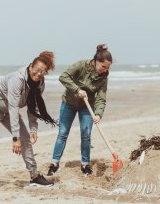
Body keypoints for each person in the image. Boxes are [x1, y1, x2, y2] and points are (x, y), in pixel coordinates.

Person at [0, 51, 57, 186]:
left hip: (9, 110)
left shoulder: (39, 84)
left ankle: (35, 176)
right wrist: (15, 138)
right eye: (37, 70)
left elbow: (33, 108)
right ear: (31, 67)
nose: (39, 74)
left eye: (42, 72)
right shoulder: (17, 79)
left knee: (26, 140)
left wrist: (33, 129)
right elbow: (14, 107)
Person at [47, 44, 112, 176]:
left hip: (87, 107)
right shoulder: (81, 65)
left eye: (107, 67)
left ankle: (85, 165)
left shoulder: (103, 77)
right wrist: (77, 90)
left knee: (86, 134)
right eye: (103, 66)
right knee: (63, 133)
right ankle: (54, 163)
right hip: (69, 103)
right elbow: (63, 77)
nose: (105, 70)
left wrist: (98, 114)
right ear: (96, 62)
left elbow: (101, 98)